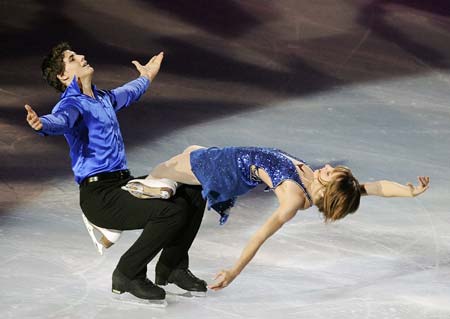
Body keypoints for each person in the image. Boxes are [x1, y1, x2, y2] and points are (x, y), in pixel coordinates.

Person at [25, 42, 208, 305]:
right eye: (73, 58)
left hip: (124, 183)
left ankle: (173, 267)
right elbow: (61, 121)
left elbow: (129, 92)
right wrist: (42, 124)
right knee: (171, 212)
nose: (82, 56)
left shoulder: (102, 98)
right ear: (63, 76)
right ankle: (127, 274)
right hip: (101, 197)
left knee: (192, 188)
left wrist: (147, 76)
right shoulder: (72, 105)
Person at [124, 145, 430, 290]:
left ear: (327, 190)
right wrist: (411, 192)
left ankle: (109, 213)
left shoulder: (293, 199)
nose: (324, 165)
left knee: (162, 175)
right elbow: (374, 188)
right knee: (182, 160)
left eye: (328, 172)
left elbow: (259, 236)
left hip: (223, 168)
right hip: (229, 156)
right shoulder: (327, 187)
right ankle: (169, 264)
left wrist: (234, 271)